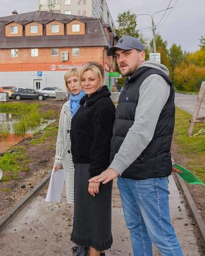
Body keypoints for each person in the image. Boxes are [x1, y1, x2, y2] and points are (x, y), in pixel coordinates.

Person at [89, 36, 183, 256]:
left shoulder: (153, 80)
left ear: (142, 55)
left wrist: (115, 167)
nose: (121, 60)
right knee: (137, 231)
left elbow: (142, 128)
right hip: (129, 174)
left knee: (161, 235)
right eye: (118, 56)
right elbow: (124, 129)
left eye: (127, 54)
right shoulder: (132, 82)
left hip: (148, 176)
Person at [70, 62, 115, 256]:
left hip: (93, 169)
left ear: (101, 80)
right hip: (83, 167)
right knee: (86, 217)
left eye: (91, 79)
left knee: (96, 219)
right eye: (83, 80)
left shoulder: (103, 105)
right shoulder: (88, 101)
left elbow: (101, 144)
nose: (86, 83)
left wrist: (95, 177)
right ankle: (88, 251)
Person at [53, 68, 86, 254]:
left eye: (76, 80)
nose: (73, 85)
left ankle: (86, 242)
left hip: (85, 161)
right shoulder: (66, 107)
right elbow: (60, 136)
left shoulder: (88, 103)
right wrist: (58, 159)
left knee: (85, 202)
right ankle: (80, 242)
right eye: (69, 82)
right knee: (76, 203)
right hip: (69, 160)